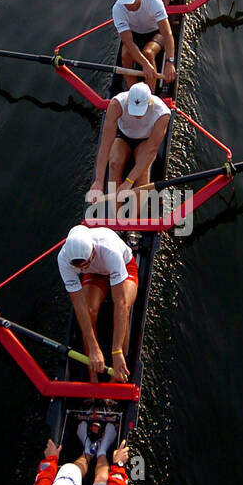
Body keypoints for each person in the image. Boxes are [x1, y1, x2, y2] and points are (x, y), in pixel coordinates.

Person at [58, 224, 139, 383]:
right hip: (95, 274)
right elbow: (79, 306)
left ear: (93, 251)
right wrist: (94, 348)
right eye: (78, 267)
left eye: (85, 264)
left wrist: (116, 352)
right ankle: (93, 378)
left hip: (125, 267)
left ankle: (116, 378)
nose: (81, 269)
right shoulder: (63, 259)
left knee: (125, 307)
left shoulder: (110, 251)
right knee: (88, 312)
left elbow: (120, 304)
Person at [88, 81, 172, 207]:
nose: (137, 114)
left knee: (143, 174)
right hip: (123, 137)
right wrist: (98, 180)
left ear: (150, 102)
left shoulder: (162, 113)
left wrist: (128, 182)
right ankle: (116, 218)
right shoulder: (116, 104)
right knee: (114, 164)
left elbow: (152, 150)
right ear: (128, 100)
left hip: (146, 141)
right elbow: (106, 144)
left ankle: (133, 221)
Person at [112, 0, 176, 88]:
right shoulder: (118, 9)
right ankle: (133, 94)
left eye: (131, 1)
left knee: (148, 53)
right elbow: (128, 43)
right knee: (125, 55)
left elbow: (167, 34)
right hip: (135, 35)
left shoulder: (152, 0)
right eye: (125, 3)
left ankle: (150, 97)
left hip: (156, 34)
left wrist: (170, 62)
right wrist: (145, 64)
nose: (129, 6)